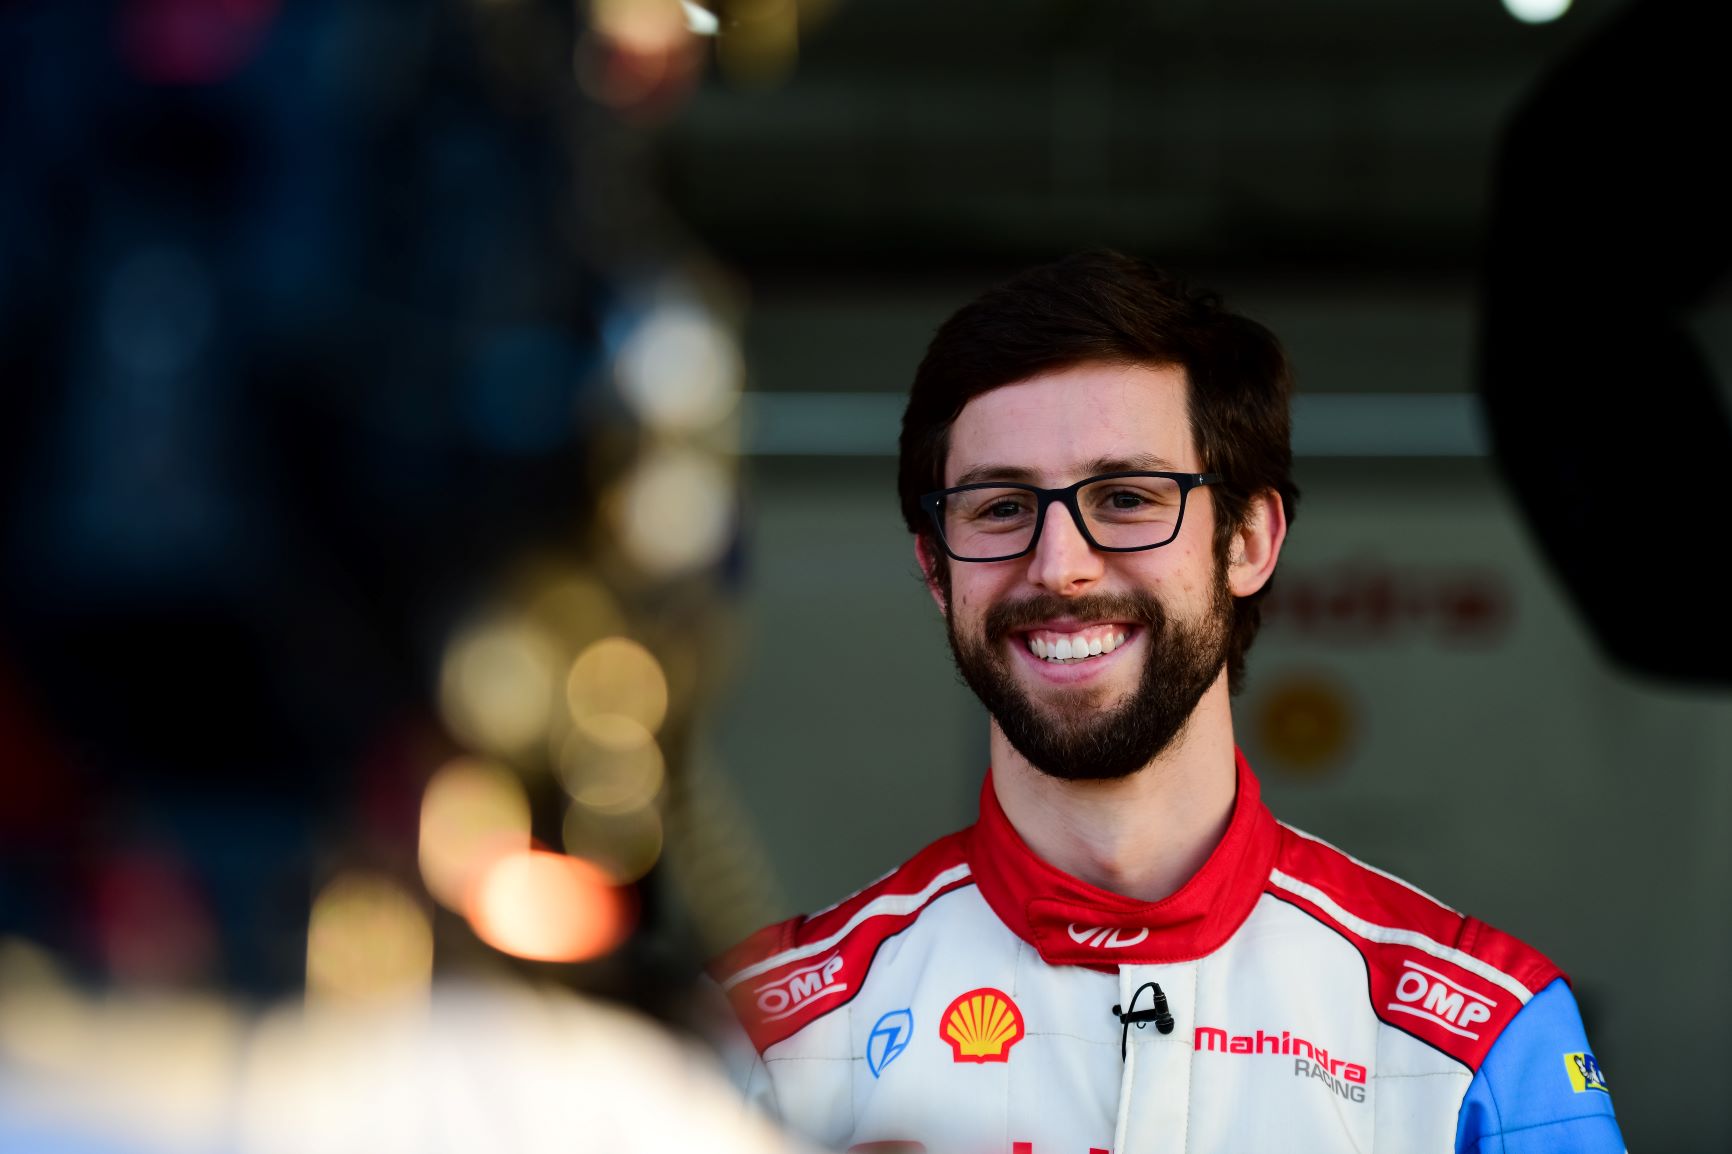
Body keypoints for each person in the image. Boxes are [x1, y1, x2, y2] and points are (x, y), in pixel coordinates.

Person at [705, 251, 1625, 1153]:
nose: (1060, 564)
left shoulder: (1482, 1044)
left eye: (1128, 497)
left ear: (1250, 541)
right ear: (935, 570)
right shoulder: (763, 1040)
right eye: (998, 508)